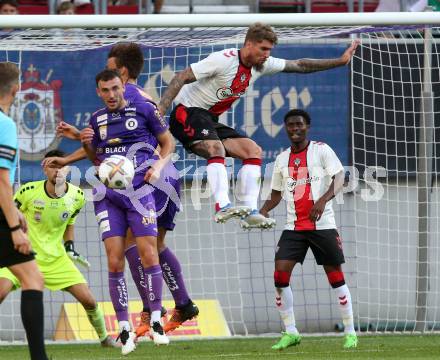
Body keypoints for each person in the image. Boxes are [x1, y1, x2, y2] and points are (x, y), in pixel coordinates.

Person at [44, 42, 199, 338]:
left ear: (122, 73)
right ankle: (182, 303)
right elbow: (115, 147)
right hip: (160, 176)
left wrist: (70, 151)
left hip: (148, 178)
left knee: (135, 246)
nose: (108, 86)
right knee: (152, 246)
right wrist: (79, 139)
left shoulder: (126, 96)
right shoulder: (139, 96)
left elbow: (127, 149)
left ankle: (151, 310)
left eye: (111, 68)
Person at [157, 22, 358, 230]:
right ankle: (222, 205)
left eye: (270, 50)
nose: (267, 54)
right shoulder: (223, 60)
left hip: (209, 119)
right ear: (249, 44)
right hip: (187, 112)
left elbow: (300, 65)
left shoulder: (262, 65)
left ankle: (250, 211)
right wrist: (160, 110)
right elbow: (181, 76)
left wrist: (340, 61)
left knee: (253, 150)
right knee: (215, 148)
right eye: (263, 49)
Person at [81, 69, 173, 352]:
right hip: (108, 196)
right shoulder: (96, 120)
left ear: (124, 86)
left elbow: (168, 142)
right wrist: (86, 144)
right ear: (98, 92)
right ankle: (123, 328)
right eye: (105, 90)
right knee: (114, 261)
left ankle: (156, 318)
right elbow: (97, 159)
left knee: (148, 253)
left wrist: (157, 166)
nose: (111, 94)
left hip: (140, 192)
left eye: (115, 88)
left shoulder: (144, 110)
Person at [259, 109, 357, 350]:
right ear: (286, 128)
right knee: (280, 276)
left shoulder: (321, 149)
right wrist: (263, 210)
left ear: (307, 127)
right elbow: (276, 194)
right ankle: (291, 331)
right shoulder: (281, 159)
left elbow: (340, 177)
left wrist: (322, 201)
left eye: (299, 124)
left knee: (335, 277)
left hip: (322, 226)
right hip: (293, 228)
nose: (295, 129)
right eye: (290, 125)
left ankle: (350, 332)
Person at [0, 150, 117, 349]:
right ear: (45, 169)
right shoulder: (28, 191)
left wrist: (69, 246)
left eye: (61, 166)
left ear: (69, 168)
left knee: (89, 300)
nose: (58, 171)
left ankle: (105, 339)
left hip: (56, 259)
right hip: (24, 257)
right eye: (53, 166)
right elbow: (8, 214)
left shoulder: (77, 196)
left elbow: (69, 222)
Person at [0, 62, 48, 360]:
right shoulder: (4, 124)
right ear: (16, 89)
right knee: (33, 279)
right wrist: (15, 227)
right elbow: (1, 180)